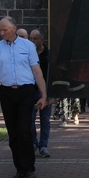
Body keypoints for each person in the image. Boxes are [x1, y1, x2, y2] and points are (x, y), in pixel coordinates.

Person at [0, 17, 47, 178]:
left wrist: (43, 95)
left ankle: (29, 167)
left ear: (14, 28)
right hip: (7, 92)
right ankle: (19, 167)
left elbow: (37, 72)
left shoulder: (28, 46)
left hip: (25, 91)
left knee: (24, 130)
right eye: (0, 30)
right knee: (13, 132)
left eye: (5, 30)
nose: (2, 33)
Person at [30, 29, 52, 157]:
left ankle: (43, 146)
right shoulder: (28, 53)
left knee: (45, 120)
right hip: (31, 90)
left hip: (45, 91)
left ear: (42, 40)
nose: (33, 41)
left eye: (35, 38)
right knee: (30, 119)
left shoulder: (49, 54)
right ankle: (33, 142)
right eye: (31, 38)